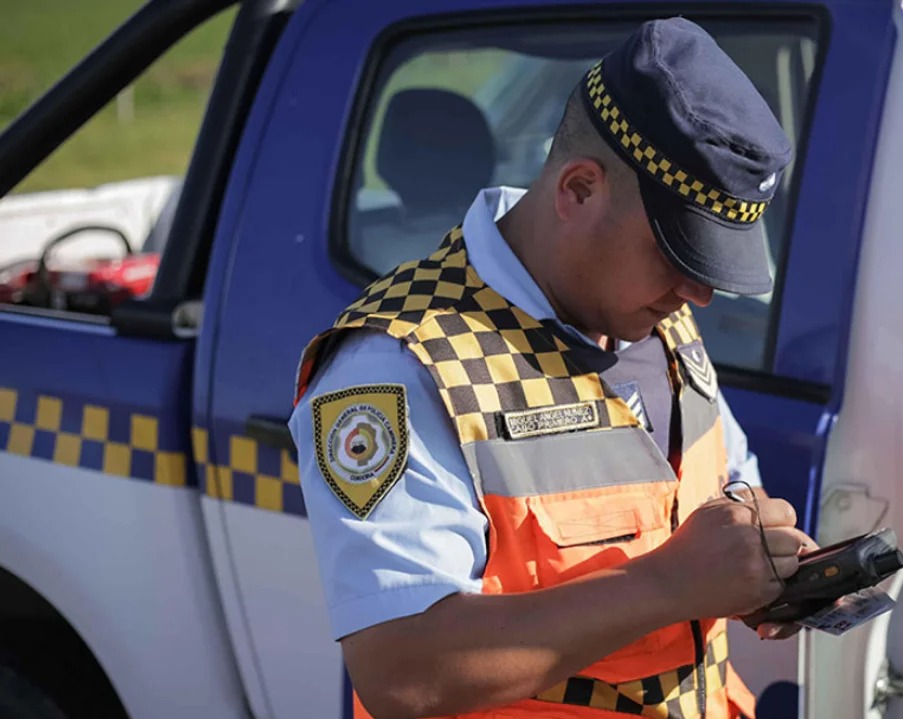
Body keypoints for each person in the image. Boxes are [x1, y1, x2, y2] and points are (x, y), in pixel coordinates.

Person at [289, 17, 815, 719]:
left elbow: (718, 488)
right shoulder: (398, 366)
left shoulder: (650, 309)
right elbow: (402, 670)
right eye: (681, 253)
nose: (698, 293)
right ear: (577, 189)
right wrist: (671, 585)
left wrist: (761, 557)